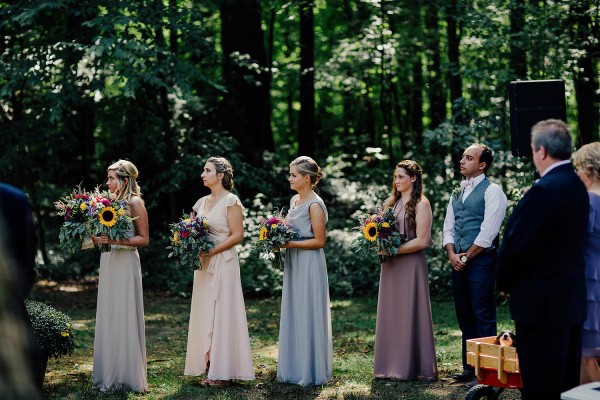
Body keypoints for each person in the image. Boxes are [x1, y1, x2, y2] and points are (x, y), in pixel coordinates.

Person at [497, 119, 589, 400]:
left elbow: (515, 247)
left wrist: (504, 283)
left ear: (541, 151)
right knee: (564, 383)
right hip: (569, 300)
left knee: (540, 385)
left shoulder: (544, 191)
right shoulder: (576, 184)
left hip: (541, 305)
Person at [184, 157, 254, 387]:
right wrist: (188, 245)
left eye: (207, 170)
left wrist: (211, 251)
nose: (202, 174)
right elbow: (193, 230)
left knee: (222, 312)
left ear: (220, 175)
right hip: (203, 265)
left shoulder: (231, 201)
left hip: (223, 261)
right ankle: (208, 364)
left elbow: (237, 235)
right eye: (203, 170)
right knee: (205, 311)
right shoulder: (201, 202)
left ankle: (223, 371)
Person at [442, 144, 507, 386]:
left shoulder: (493, 191)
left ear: (482, 165)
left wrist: (466, 257)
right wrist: (452, 254)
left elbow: (488, 233)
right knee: (464, 315)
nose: (462, 161)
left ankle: (487, 374)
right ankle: (470, 369)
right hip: (458, 260)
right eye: (462, 157)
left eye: (469, 158)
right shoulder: (456, 193)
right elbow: (448, 226)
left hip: (481, 261)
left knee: (483, 315)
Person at [374, 160, 438, 381]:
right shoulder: (390, 203)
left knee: (410, 311)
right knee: (391, 312)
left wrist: (393, 250)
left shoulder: (422, 203)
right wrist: (377, 243)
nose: (397, 181)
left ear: (413, 178)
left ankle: (412, 367)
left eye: (401, 177)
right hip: (391, 266)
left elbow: (422, 240)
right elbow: (380, 233)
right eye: (395, 177)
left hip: (410, 265)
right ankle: (388, 365)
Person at [92, 160, 149, 393]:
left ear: (124, 180)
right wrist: (92, 236)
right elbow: (99, 236)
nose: (107, 182)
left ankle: (127, 373)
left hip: (125, 262)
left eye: (111, 178)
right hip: (108, 261)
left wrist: (114, 241)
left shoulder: (135, 202)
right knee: (110, 312)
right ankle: (110, 371)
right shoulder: (108, 203)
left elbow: (144, 239)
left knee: (124, 310)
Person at [277, 156, 333, 385]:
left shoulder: (315, 204)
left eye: (293, 175)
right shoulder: (294, 200)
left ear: (307, 178)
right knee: (295, 309)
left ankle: (311, 370)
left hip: (310, 263)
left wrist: (289, 244)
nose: (289, 178)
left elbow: (320, 241)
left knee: (308, 309)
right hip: (294, 262)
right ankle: (294, 366)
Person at [573, 142, 600, 384]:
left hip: (591, 282)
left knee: (587, 355)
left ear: (589, 169)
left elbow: (575, 242)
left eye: (579, 168)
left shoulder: (590, 202)